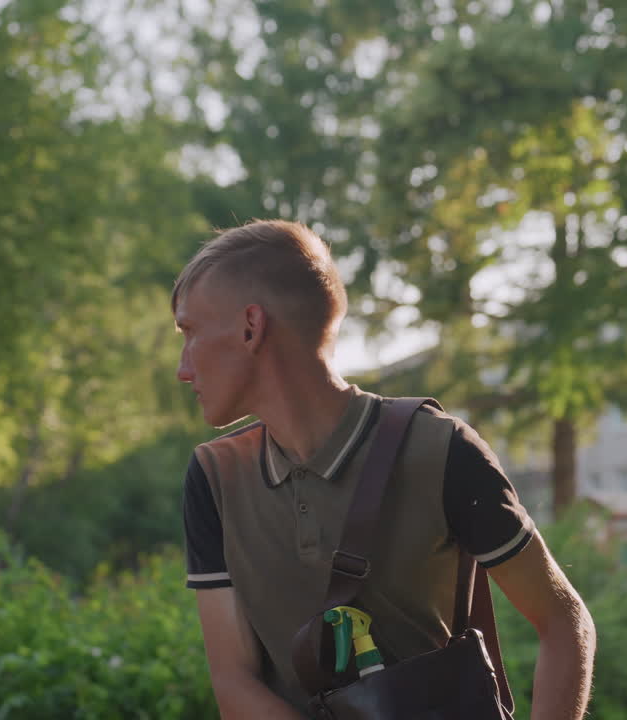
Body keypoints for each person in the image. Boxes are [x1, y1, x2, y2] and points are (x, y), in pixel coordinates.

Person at [172, 219, 596, 718]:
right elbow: (233, 681)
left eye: (191, 332)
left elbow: (564, 621)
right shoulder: (215, 478)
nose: (183, 367)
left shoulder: (440, 450)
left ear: (251, 326)